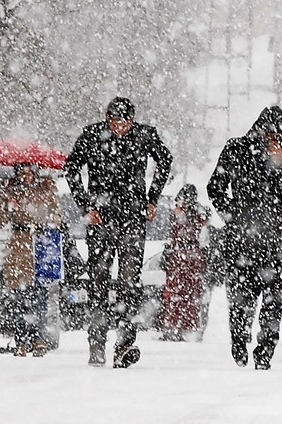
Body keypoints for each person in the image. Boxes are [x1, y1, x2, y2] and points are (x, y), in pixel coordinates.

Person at [65, 96, 173, 368]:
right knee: (98, 283)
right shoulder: (92, 135)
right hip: (101, 219)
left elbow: (165, 160)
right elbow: (72, 168)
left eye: (123, 122)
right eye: (113, 121)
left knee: (129, 283)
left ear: (132, 121)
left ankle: (124, 344)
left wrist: (152, 197)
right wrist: (86, 206)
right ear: (107, 118)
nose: (118, 127)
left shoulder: (144, 135)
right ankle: (97, 343)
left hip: (132, 217)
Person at [207, 105, 282, 370]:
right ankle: (239, 341)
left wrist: (281, 162)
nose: (272, 140)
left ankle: (265, 352)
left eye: (278, 136)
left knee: (273, 302)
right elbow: (215, 187)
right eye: (269, 135)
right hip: (241, 241)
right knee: (240, 299)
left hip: (275, 241)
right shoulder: (237, 149)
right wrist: (232, 216)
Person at [0, 163, 62, 357]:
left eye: (29, 172)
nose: (26, 176)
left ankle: (39, 338)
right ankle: (21, 339)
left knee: (40, 295)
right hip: (18, 248)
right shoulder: (9, 191)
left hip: (40, 245)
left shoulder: (46, 189)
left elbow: (57, 218)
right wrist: (8, 207)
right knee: (18, 297)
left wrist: (48, 216)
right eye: (22, 172)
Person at [160, 184, 210, 342]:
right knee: (180, 294)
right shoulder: (186, 218)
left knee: (183, 294)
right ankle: (178, 326)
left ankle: (181, 326)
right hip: (182, 260)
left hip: (186, 260)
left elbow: (201, 240)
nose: (177, 206)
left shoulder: (193, 218)